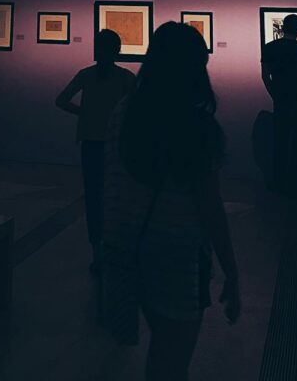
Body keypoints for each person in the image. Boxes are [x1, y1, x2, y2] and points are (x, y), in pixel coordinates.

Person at [103, 22, 240, 381]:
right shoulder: (196, 127)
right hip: (177, 257)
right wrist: (231, 271)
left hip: (126, 249)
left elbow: (113, 185)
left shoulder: (124, 112)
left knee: (161, 355)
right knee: (172, 359)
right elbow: (211, 208)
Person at [55, 29, 135, 271]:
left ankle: (97, 251)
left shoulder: (86, 75)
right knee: (117, 197)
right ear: (117, 50)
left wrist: (84, 113)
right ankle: (115, 247)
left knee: (93, 197)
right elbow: (138, 107)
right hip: (115, 144)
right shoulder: (125, 77)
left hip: (90, 142)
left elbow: (61, 100)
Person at [261, 14, 297, 197]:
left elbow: (265, 76)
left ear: (283, 28)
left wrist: (275, 95)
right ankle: (295, 184)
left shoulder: (269, 48)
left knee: (280, 143)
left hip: (282, 103)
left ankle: (279, 183)